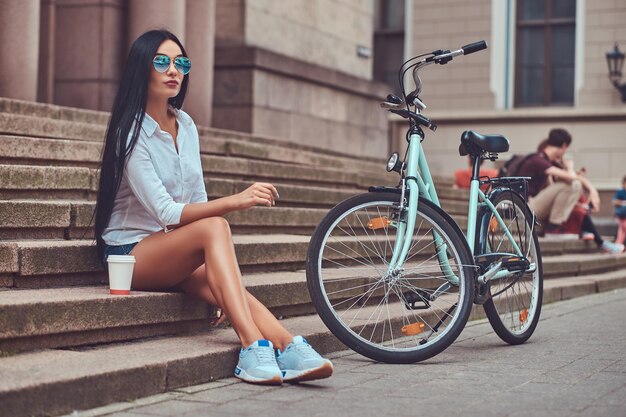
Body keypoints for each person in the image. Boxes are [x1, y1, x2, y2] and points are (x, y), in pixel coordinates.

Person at [94, 30, 333, 385]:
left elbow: (198, 199)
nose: (173, 70)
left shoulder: (186, 125)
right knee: (216, 225)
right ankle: (252, 345)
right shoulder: (129, 132)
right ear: (141, 68)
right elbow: (167, 212)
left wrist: (221, 279)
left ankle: (287, 345)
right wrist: (237, 201)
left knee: (231, 286)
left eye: (181, 63)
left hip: (172, 248)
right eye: (162, 61)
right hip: (129, 255)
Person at [518, 129, 623, 253]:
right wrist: (591, 189)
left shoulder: (547, 162)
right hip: (524, 208)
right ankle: (554, 228)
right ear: (564, 146)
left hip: (533, 207)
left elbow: (554, 191)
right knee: (573, 185)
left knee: (575, 195)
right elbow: (571, 179)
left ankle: (597, 240)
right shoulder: (538, 160)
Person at [613, 175, 626, 245]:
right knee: (622, 228)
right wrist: (623, 202)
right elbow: (614, 201)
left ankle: (618, 244)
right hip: (621, 215)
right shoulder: (621, 192)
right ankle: (618, 244)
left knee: (622, 230)